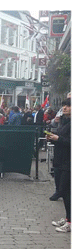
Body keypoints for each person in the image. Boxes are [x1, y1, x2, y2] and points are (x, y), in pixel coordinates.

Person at [48, 98, 71, 232]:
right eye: (64, 105)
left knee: (66, 191)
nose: (65, 107)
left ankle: (70, 221)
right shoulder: (64, 121)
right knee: (64, 191)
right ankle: (68, 217)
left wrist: (58, 139)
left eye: (68, 105)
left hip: (68, 162)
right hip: (60, 160)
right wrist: (53, 138)